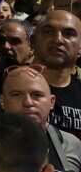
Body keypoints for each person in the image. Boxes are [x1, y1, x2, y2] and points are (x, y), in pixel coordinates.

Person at [0, 65, 81, 172]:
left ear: (52, 102)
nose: (28, 102)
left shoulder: (71, 144)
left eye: (37, 95)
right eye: (16, 95)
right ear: (2, 101)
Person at [32, 9, 81, 138]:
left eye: (68, 33)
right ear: (33, 41)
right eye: (48, 32)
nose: (58, 39)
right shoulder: (7, 78)